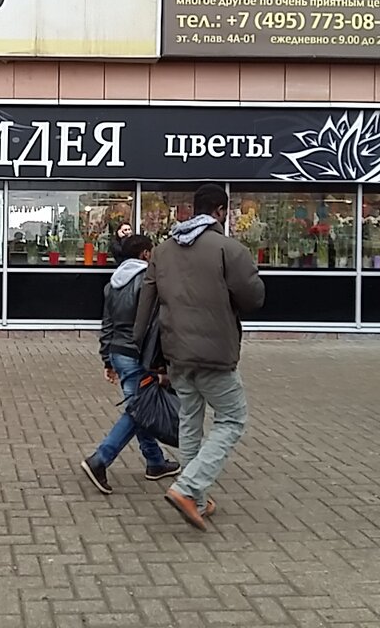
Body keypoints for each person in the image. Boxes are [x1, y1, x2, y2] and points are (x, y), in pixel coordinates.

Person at [133, 184, 265, 530]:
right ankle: (187, 488)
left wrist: (140, 349)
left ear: (194, 209)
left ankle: (198, 500)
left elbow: (146, 302)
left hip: (176, 353)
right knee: (232, 418)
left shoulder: (162, 251)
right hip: (215, 354)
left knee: (190, 421)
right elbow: (254, 298)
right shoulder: (228, 249)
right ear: (220, 211)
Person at [81, 234, 181, 495]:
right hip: (139, 355)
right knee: (139, 410)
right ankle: (100, 459)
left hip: (119, 352)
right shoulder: (148, 280)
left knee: (141, 408)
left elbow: (107, 324)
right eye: (152, 251)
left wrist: (107, 358)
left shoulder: (113, 283)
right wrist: (162, 362)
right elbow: (156, 323)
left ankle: (155, 462)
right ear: (145, 254)